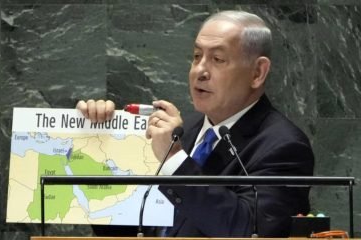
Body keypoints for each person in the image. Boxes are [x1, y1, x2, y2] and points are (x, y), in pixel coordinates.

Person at [76, 10, 314, 237]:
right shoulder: (184, 130)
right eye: (197, 56)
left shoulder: (284, 147)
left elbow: (249, 230)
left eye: (217, 59)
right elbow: (137, 229)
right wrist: (98, 147)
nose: (200, 70)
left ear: (257, 73)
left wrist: (175, 160)